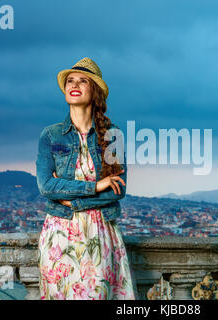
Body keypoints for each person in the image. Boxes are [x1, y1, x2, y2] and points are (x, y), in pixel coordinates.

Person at [35, 57, 136, 300]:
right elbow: (47, 186)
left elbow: (117, 191)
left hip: (99, 236)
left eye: (83, 81)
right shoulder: (50, 135)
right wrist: (95, 186)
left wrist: (73, 200)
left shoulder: (113, 135)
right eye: (70, 81)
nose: (74, 84)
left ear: (95, 91)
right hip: (59, 237)